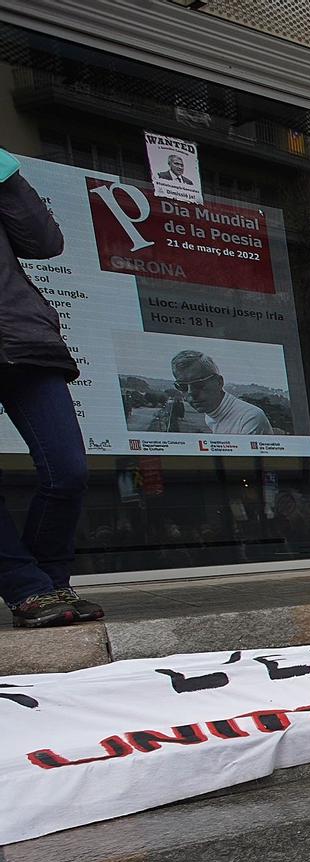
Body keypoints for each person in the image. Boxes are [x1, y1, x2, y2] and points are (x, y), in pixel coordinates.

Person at [0, 146, 101, 629]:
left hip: (21, 337)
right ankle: (28, 589)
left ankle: (49, 581)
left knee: (68, 470)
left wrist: (5, 174)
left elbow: (44, 242)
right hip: (21, 335)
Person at [150, 350, 273, 434]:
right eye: (182, 386)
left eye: (199, 384)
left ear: (219, 382)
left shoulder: (250, 418)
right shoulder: (211, 413)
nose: (191, 393)